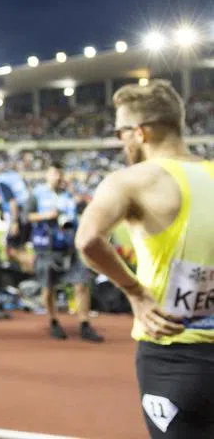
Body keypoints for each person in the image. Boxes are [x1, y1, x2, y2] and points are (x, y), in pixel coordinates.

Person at [76, 79, 214, 437]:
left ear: (139, 132)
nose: (122, 141)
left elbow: (89, 239)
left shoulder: (132, 180)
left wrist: (135, 292)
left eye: (121, 132)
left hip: (175, 353)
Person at [27, 162, 104, 342]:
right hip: (46, 247)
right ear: (47, 175)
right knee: (48, 288)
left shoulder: (70, 194)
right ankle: (53, 320)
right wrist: (47, 216)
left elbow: (86, 210)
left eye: (61, 174)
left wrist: (75, 195)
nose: (58, 177)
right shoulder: (37, 194)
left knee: (82, 283)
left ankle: (84, 323)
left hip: (69, 246)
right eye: (54, 173)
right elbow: (26, 216)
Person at [0, 159, 33, 271]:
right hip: (27, 212)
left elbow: (12, 202)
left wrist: (15, 222)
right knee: (20, 247)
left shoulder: (2, 181)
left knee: (12, 250)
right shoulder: (13, 176)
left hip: (19, 215)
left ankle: (36, 267)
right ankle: (23, 275)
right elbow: (27, 191)